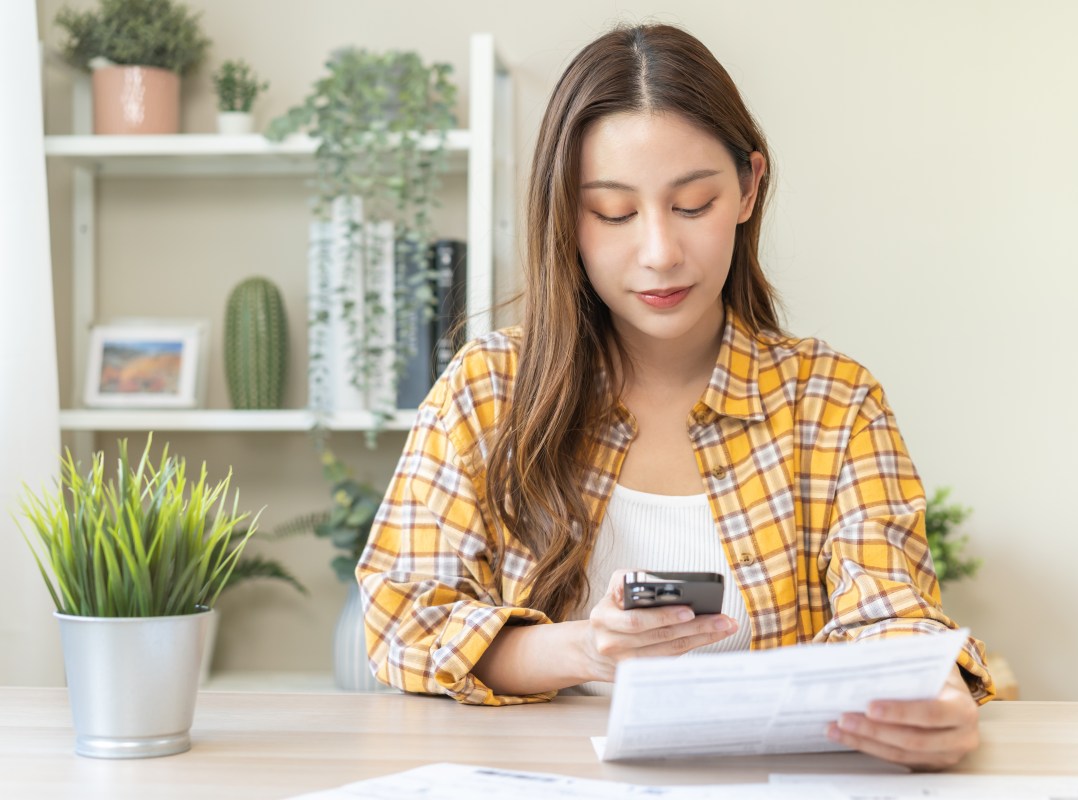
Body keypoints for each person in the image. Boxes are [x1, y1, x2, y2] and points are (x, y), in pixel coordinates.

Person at [358, 22, 994, 769]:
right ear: (566, 213)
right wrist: (584, 651)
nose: (659, 251)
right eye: (615, 213)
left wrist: (934, 697)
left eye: (692, 204)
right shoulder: (487, 391)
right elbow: (402, 621)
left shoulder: (834, 402)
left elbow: (895, 614)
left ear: (749, 187)